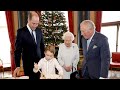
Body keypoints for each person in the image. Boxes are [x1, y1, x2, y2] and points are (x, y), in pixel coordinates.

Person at [13, 11, 45, 79]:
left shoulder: (39, 31)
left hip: (40, 63)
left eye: (37, 23)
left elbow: (42, 47)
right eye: (33, 23)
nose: (35, 26)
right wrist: (18, 66)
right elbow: (17, 50)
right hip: (28, 64)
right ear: (28, 20)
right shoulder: (21, 32)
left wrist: (44, 60)